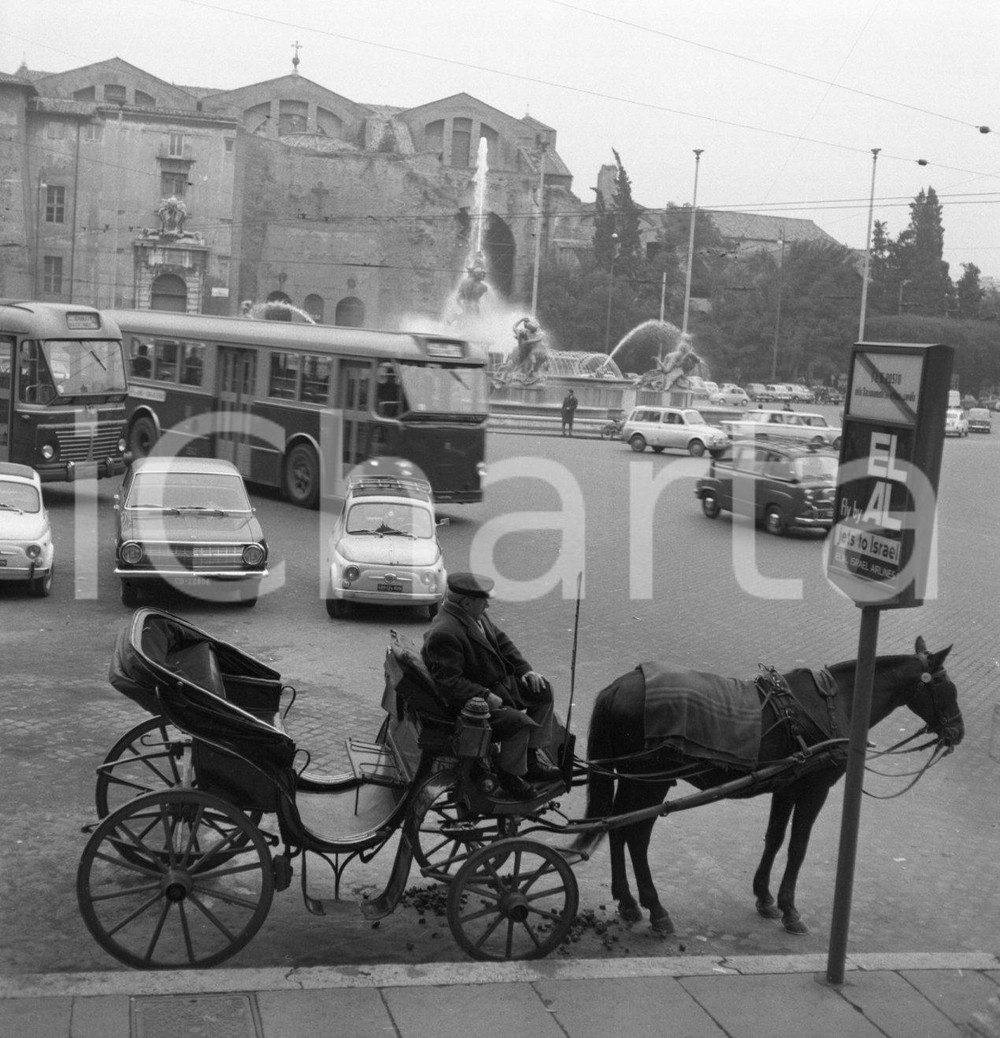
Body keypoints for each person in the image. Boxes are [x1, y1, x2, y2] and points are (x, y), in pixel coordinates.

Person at [421, 572, 561, 799]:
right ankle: (509, 775)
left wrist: (526, 670)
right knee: (520, 724)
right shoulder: (445, 632)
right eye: (483, 601)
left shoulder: (473, 616)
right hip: (472, 709)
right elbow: (450, 683)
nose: (487, 606)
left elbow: (503, 642)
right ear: (467, 602)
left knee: (543, 691)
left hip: (495, 687)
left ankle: (532, 757)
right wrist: (486, 696)